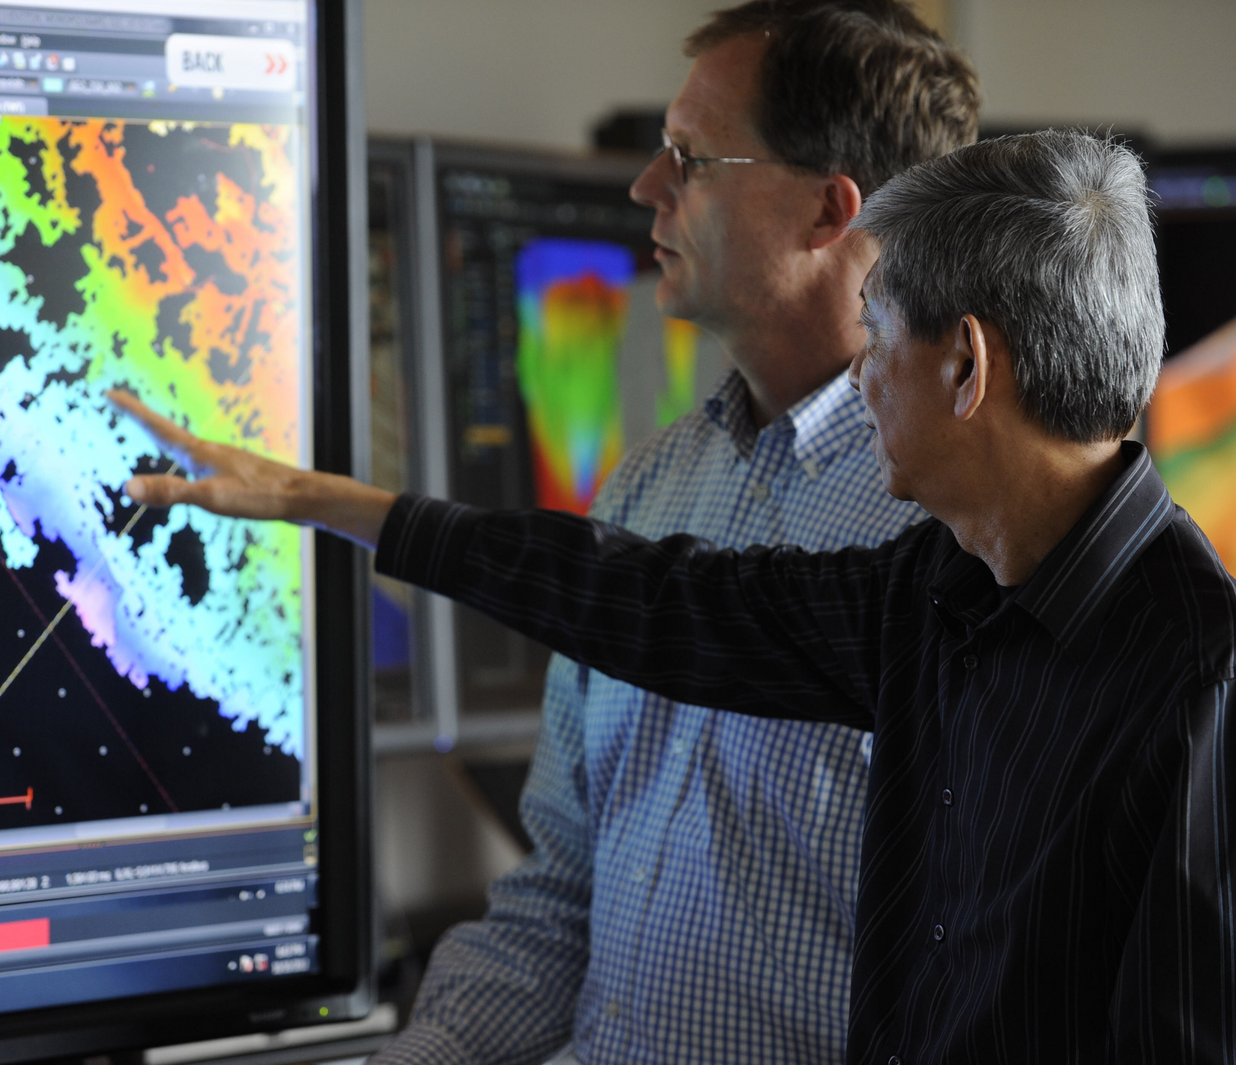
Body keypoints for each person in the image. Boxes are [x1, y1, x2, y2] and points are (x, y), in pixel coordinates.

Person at [115, 130, 1236, 1062]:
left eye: (880, 338)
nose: (860, 375)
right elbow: (662, 604)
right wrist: (331, 505)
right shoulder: (944, 592)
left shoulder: (1219, 683)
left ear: (966, 365)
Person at [403, 4, 974, 1061]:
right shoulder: (644, 496)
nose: (644, 188)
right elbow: (557, 900)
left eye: (686, 159)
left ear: (827, 210)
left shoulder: (966, 536)